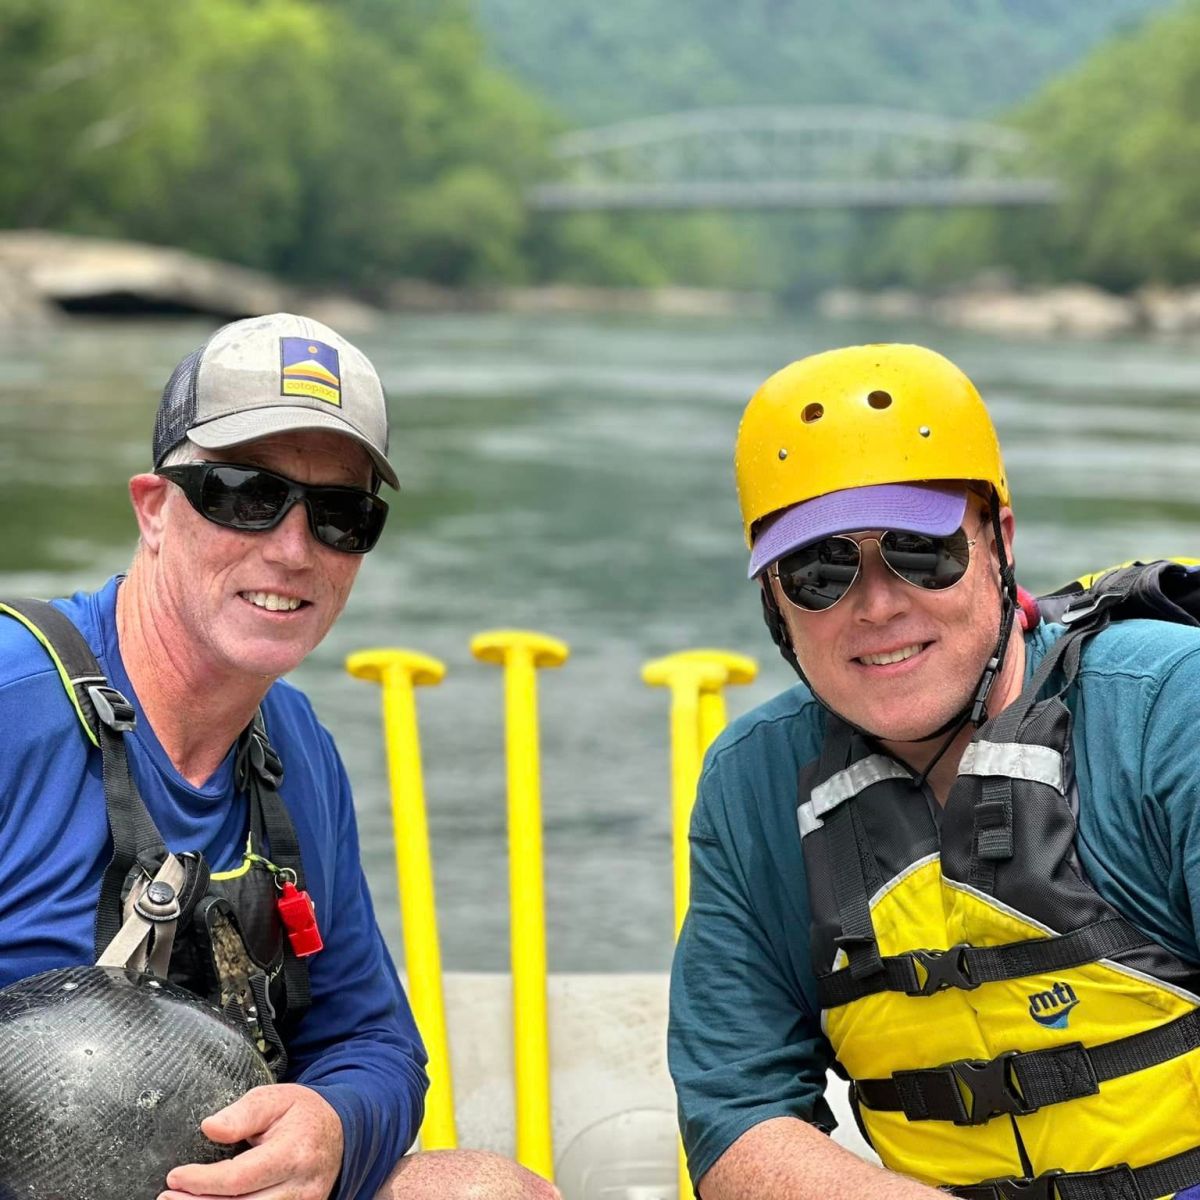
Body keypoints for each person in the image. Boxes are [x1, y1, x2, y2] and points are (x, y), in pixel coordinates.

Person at [0, 312, 558, 1200]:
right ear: (153, 508)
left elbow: (373, 1044)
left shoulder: (295, 746)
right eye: (242, 494)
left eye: (342, 515)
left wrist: (329, 1132)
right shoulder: (11, 702)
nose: (294, 549)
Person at [668, 342, 1200, 1200]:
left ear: (1000, 542)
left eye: (922, 550)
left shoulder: (1170, 705)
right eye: (820, 571)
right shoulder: (755, 785)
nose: (877, 605)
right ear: (775, 601)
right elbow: (737, 1113)